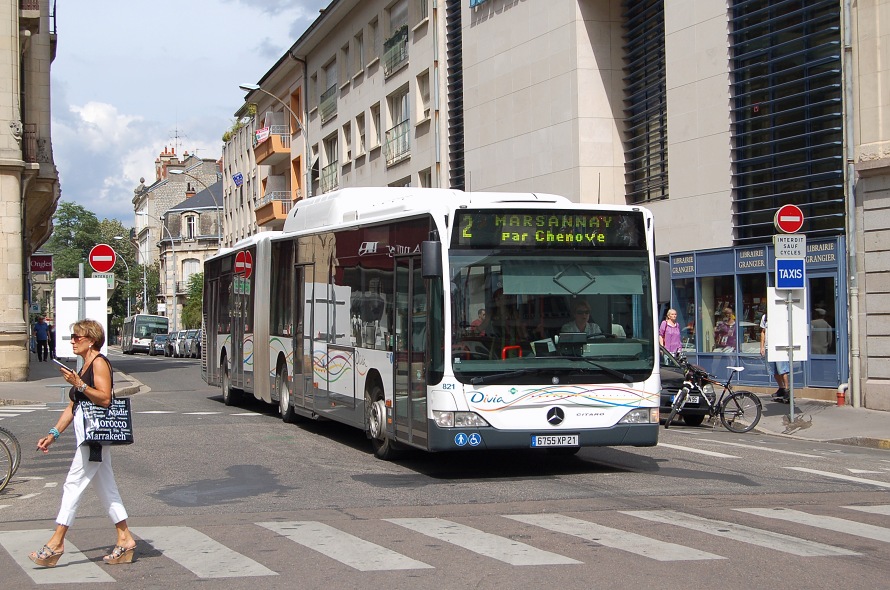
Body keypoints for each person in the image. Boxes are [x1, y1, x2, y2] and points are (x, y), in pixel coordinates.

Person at [28, 319, 137, 568]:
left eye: (77, 337)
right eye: (72, 337)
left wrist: (80, 384)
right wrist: (53, 433)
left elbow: (105, 398)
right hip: (86, 434)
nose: (73, 341)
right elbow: (74, 405)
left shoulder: (99, 362)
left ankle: (56, 542)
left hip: (94, 438)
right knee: (106, 488)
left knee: (72, 485)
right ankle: (125, 538)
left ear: (91, 339)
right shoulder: (84, 363)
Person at [760, 313, 790, 403]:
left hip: (779, 347)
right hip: (769, 347)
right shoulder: (765, 317)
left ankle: (787, 390)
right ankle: (781, 388)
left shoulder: (780, 313)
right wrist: (762, 347)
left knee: (782, 370)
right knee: (773, 370)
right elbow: (763, 332)